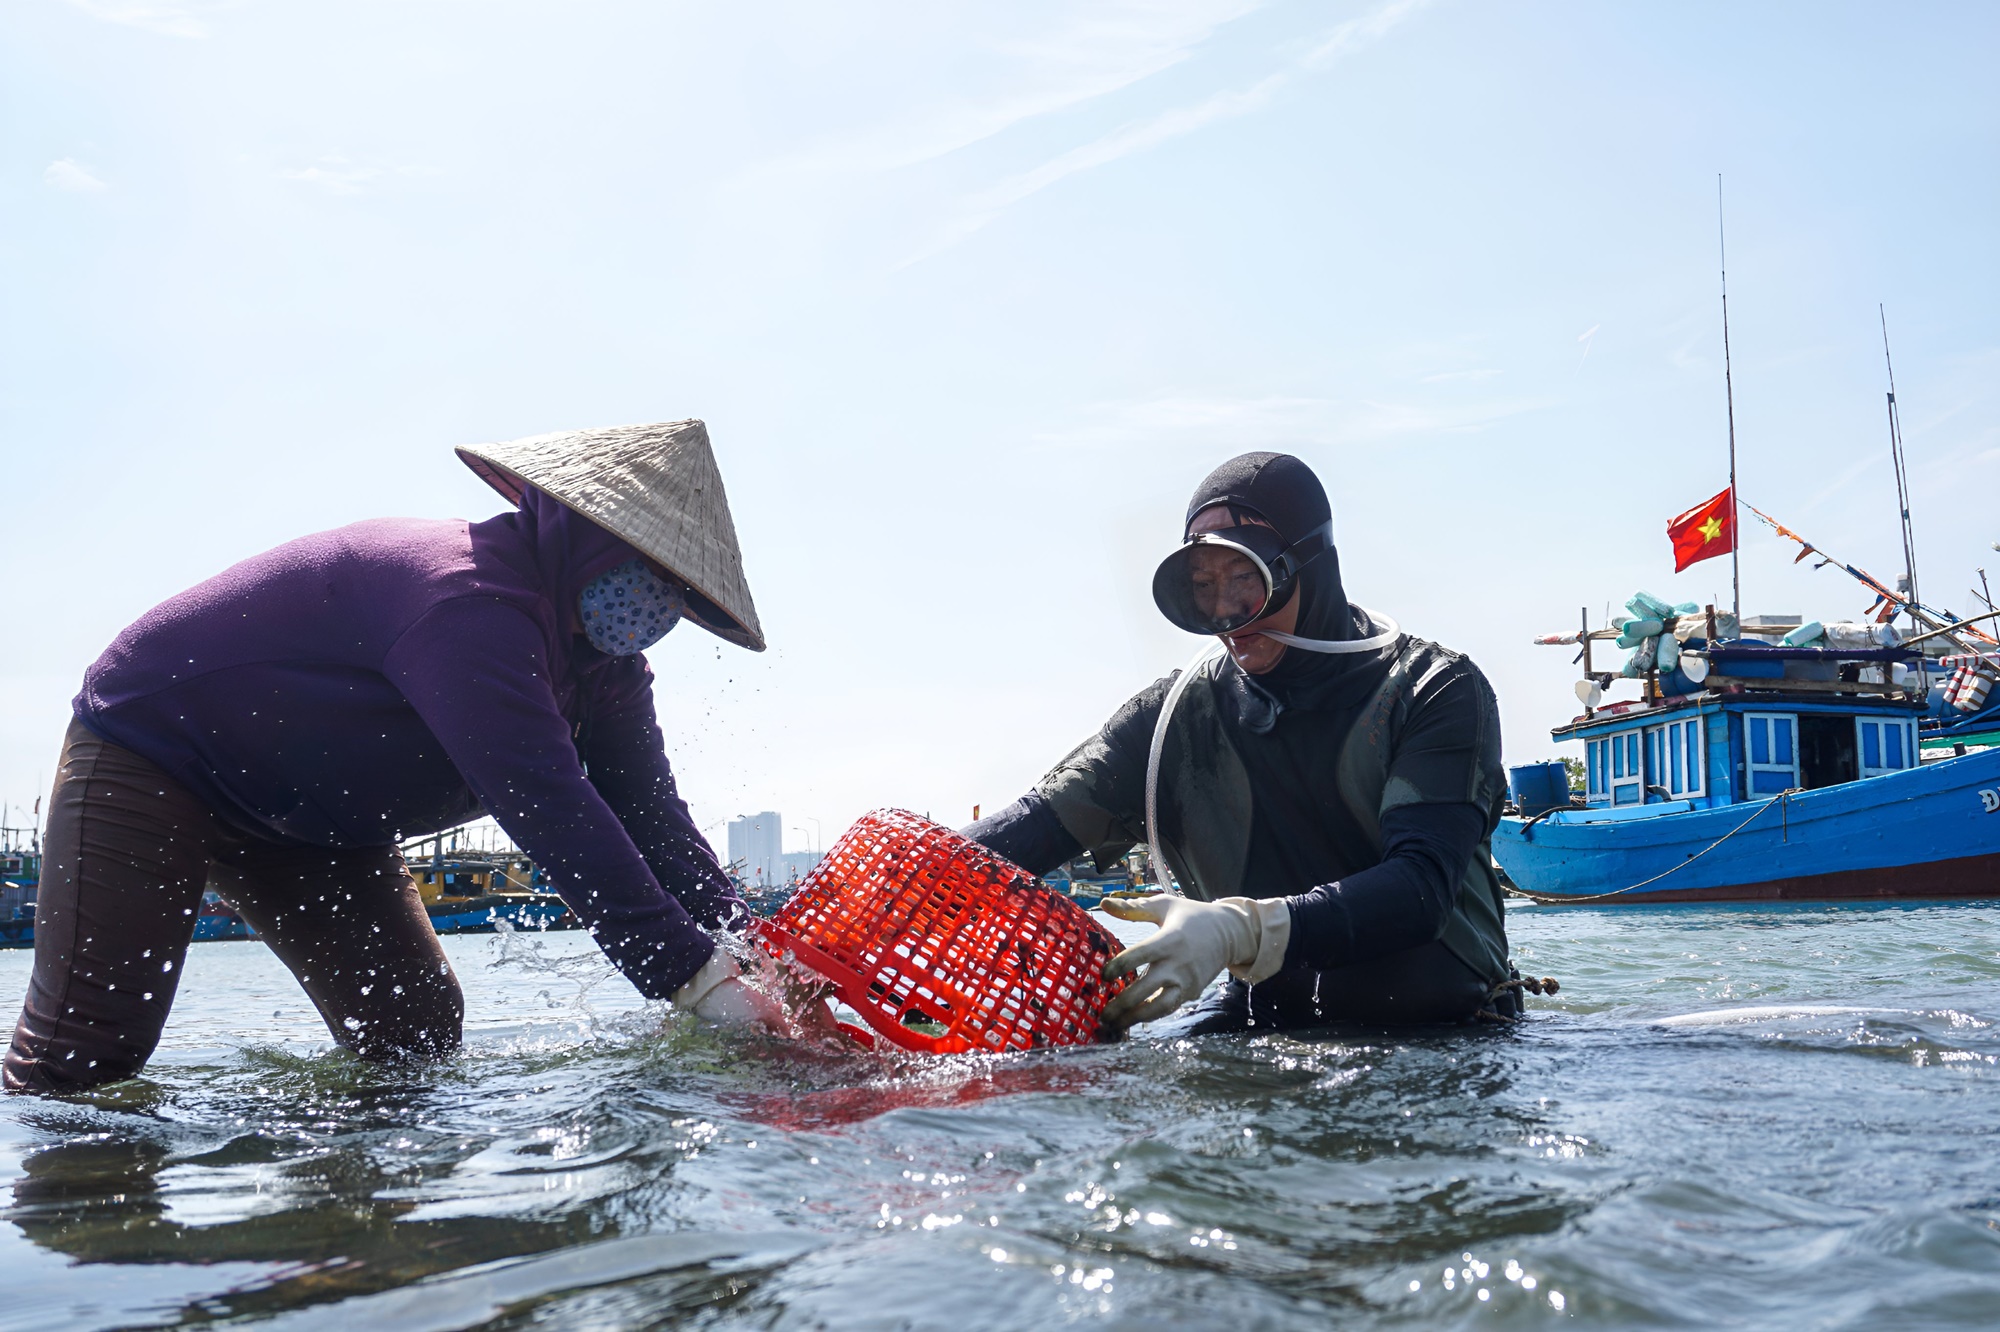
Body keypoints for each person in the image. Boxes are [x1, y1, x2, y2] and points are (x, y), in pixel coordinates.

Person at [7, 420, 807, 1094]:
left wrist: (765, 962)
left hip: (312, 827)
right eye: (644, 566)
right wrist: (700, 984)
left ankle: (341, 1258)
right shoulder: (471, 606)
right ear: (581, 532)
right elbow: (554, 810)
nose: (656, 599)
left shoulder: (608, 671)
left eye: (676, 586)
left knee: (411, 1029)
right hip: (158, 758)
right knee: (86, 1053)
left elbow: (652, 817)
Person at [963, 452, 1516, 1034]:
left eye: (1244, 580)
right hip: (1257, 1026)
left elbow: (1420, 890)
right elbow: (1027, 829)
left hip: (1447, 1034)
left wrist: (1239, 930)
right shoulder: (1171, 720)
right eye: (1202, 587)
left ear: (1309, 565)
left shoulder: (1434, 689)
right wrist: (886, 900)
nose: (1225, 615)